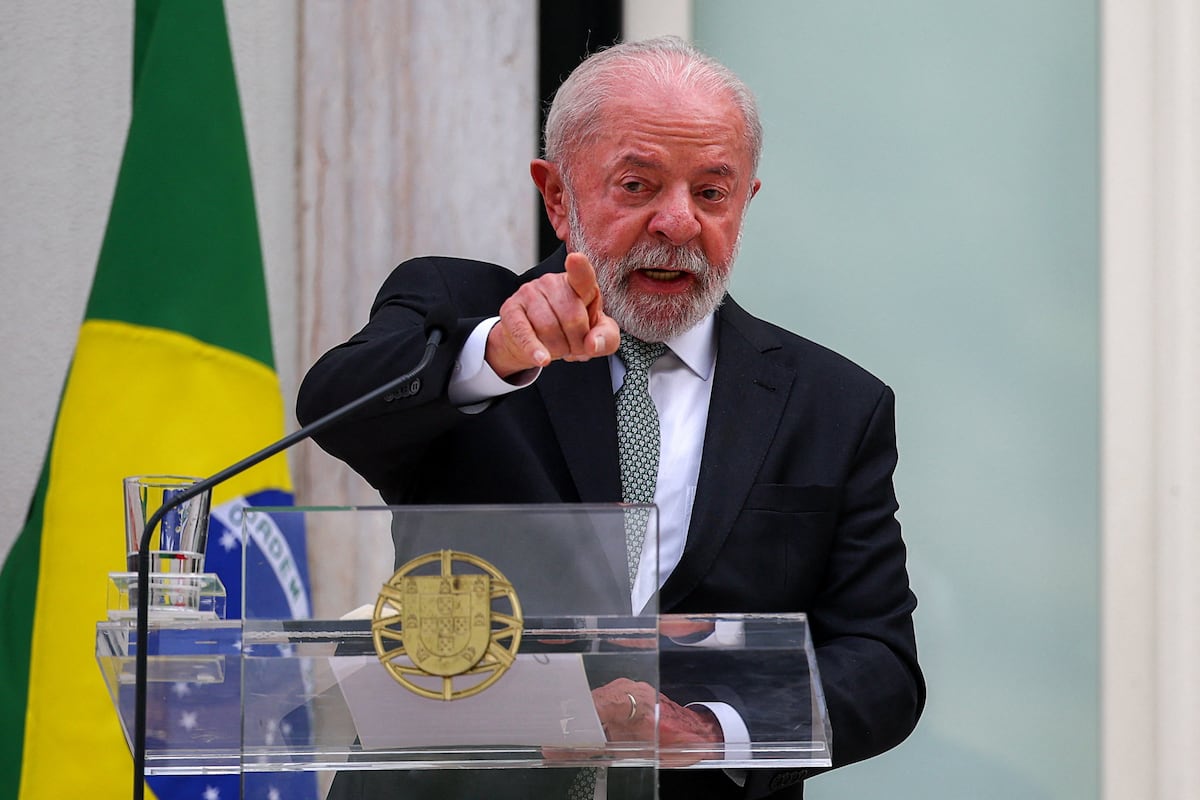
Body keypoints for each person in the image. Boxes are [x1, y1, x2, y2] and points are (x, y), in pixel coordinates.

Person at [297, 35, 923, 799]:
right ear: (557, 196)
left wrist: (707, 732)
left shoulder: (834, 405)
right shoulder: (457, 312)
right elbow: (334, 407)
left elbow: (880, 661)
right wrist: (497, 352)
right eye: (637, 185)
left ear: (746, 202)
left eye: (712, 193)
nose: (678, 223)